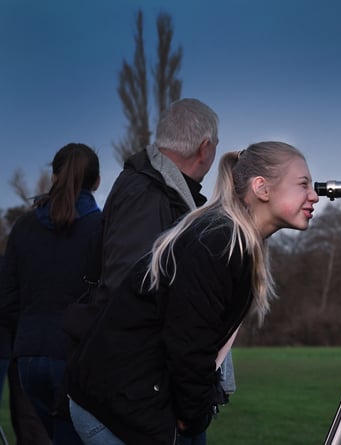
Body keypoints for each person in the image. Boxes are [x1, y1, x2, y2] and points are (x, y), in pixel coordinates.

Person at [67, 141, 319, 444]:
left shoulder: (235, 241)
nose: (314, 195)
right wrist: (193, 418)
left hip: (142, 401)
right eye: (303, 184)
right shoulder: (216, 242)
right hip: (116, 409)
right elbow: (189, 342)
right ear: (262, 189)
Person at [81, 98, 223, 445]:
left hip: (156, 386)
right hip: (147, 392)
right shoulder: (147, 193)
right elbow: (128, 291)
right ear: (205, 148)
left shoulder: (152, 188)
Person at [0, 143, 102, 444]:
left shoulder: (23, 227)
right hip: (74, 359)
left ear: (54, 176)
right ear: (96, 182)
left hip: (29, 358)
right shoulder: (100, 227)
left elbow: (7, 300)